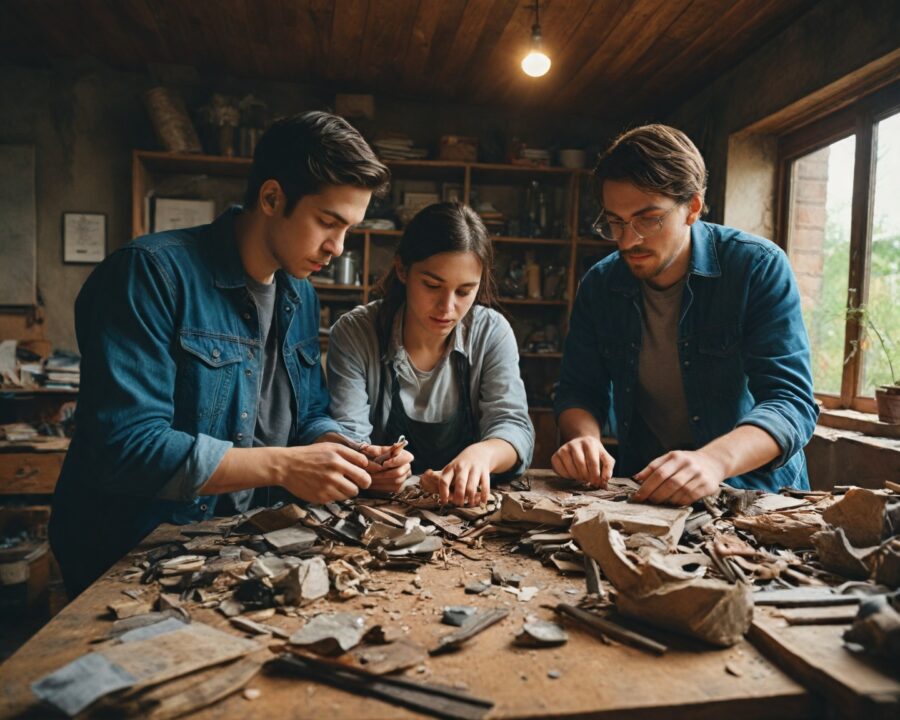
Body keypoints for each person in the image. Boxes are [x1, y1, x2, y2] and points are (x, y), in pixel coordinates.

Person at [50, 111, 409, 596]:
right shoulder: (149, 274)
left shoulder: (298, 293)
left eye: (349, 229)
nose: (337, 248)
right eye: (328, 222)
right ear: (271, 197)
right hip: (130, 554)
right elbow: (127, 447)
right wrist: (284, 466)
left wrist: (348, 455)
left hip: (234, 549)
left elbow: (307, 413)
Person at [552, 124, 817, 504]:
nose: (629, 240)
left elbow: (791, 402)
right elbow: (578, 389)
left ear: (692, 207)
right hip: (648, 493)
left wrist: (713, 461)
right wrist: (583, 440)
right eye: (615, 222)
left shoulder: (757, 267)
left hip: (755, 494)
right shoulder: (600, 284)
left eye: (648, 219)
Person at [326, 202, 535, 506]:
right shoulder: (356, 333)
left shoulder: (491, 332)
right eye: (432, 285)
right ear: (402, 269)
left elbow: (514, 426)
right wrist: (371, 466)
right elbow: (348, 438)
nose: (447, 307)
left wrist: (483, 455)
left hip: (467, 507)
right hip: (380, 511)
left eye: (464, 291)